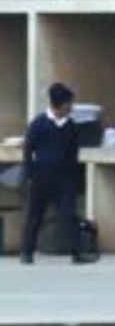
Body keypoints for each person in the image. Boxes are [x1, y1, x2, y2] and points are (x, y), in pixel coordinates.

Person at [20, 83, 89, 265]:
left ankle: (77, 252)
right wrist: (29, 174)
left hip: (64, 178)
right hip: (41, 177)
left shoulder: (71, 126)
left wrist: (74, 178)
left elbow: (73, 154)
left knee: (69, 214)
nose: (70, 108)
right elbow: (28, 151)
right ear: (58, 104)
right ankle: (27, 252)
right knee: (35, 216)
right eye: (68, 104)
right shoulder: (39, 124)